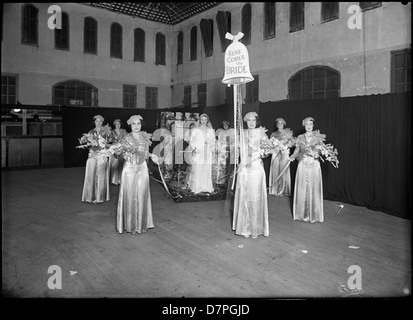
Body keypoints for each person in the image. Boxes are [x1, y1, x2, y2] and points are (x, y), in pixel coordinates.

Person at [115, 115, 158, 234]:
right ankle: (130, 224)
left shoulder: (145, 137)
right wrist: (117, 152)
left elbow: (145, 153)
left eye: (138, 124)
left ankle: (141, 224)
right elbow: (117, 153)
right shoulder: (125, 138)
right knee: (129, 194)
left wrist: (152, 156)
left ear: (141, 124)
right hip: (129, 168)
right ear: (130, 125)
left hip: (142, 168)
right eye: (134, 124)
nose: (136, 126)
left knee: (143, 194)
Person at [232, 112, 269, 238]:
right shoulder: (242, 134)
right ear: (246, 122)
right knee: (243, 195)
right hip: (244, 168)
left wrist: (257, 154)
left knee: (255, 196)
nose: (251, 123)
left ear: (257, 121)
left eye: (253, 120)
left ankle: (255, 227)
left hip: (256, 168)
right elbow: (236, 151)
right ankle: (243, 227)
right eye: (249, 121)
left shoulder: (261, 133)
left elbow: (267, 152)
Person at [289, 117, 324, 223]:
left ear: (313, 125)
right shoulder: (300, 137)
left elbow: (320, 150)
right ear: (304, 125)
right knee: (302, 187)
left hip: (314, 164)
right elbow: (297, 150)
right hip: (303, 163)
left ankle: (314, 214)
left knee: (313, 187)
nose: (308, 126)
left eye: (310, 124)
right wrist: (293, 156)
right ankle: (302, 214)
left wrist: (316, 153)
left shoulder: (318, 136)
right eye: (306, 124)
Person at [81, 115, 111, 203]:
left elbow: (111, 143)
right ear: (94, 122)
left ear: (103, 122)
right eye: (97, 121)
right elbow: (88, 144)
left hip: (102, 155)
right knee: (90, 175)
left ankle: (100, 196)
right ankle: (90, 196)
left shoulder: (106, 132)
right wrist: (87, 143)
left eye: (100, 121)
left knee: (101, 175)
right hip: (92, 155)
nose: (98, 123)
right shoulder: (91, 132)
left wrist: (105, 146)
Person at [186, 114, 215, 193]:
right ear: (200, 120)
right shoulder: (196, 130)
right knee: (198, 169)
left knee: (206, 169)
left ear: (207, 120)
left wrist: (211, 146)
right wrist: (195, 149)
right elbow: (192, 141)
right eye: (202, 120)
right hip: (199, 152)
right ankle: (197, 187)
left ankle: (206, 187)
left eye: (205, 120)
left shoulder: (210, 130)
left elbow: (213, 141)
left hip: (208, 152)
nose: (204, 121)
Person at [268, 118, 294, 196]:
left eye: (281, 123)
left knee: (284, 171)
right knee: (275, 170)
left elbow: (292, 143)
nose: (280, 125)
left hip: (284, 153)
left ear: (284, 125)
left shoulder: (288, 133)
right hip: (276, 153)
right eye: (278, 123)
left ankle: (283, 190)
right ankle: (275, 190)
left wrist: (286, 146)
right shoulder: (273, 134)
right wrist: (275, 147)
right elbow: (270, 145)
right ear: (276, 125)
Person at [216, 120, 235, 185]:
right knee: (221, 166)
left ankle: (228, 181)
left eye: (226, 125)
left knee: (228, 166)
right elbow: (218, 142)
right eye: (224, 125)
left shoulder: (232, 131)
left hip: (229, 151)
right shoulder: (221, 132)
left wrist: (230, 146)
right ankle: (221, 180)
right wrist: (219, 148)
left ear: (228, 125)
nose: (225, 126)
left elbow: (234, 141)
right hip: (222, 151)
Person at [109, 119, 127, 185]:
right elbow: (109, 141)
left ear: (120, 124)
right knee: (114, 164)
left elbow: (126, 140)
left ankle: (120, 179)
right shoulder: (111, 132)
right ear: (114, 125)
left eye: (118, 124)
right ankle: (113, 180)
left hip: (121, 149)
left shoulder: (124, 131)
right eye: (116, 124)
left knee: (121, 164)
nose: (117, 125)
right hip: (113, 150)